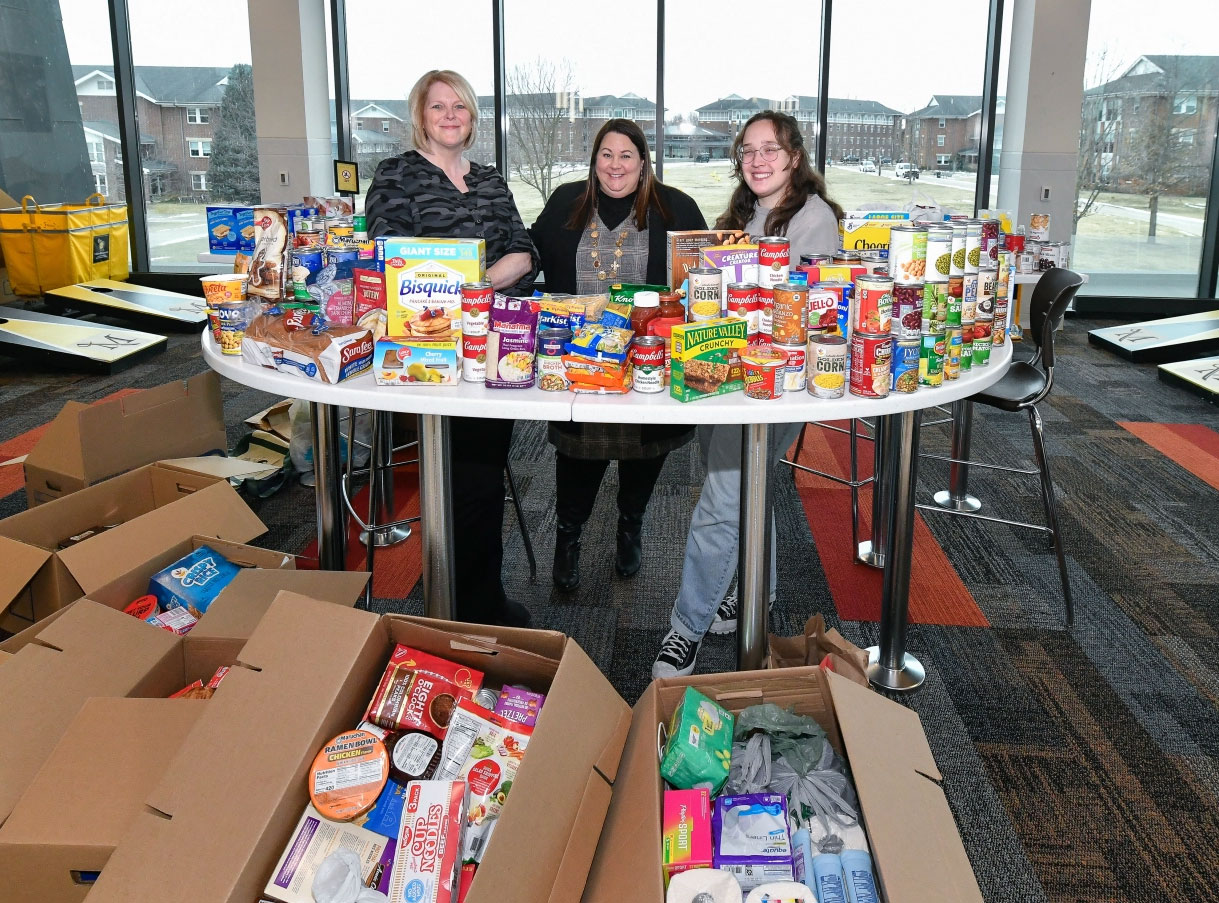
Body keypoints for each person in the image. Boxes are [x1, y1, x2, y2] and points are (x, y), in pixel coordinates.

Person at [652, 110, 845, 678]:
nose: (757, 160)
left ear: (794, 158)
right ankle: (753, 593)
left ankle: (684, 631)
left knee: (721, 498)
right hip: (726, 374)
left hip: (773, 385)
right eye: (748, 150)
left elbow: (804, 312)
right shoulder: (744, 214)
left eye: (771, 149)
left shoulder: (812, 220)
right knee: (749, 488)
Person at [365, 69, 538, 628]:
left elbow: (524, 249)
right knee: (458, 479)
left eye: (460, 106)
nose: (450, 115)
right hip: (431, 349)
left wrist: (476, 283)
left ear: (472, 116)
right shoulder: (397, 176)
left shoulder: (490, 179)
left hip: (493, 346)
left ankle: (481, 598)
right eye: (438, 106)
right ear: (421, 115)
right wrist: (463, 288)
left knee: (486, 477)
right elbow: (389, 255)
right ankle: (452, 606)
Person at [530, 119, 705, 593]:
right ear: (594, 161)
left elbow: (703, 272)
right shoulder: (566, 201)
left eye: (626, 155)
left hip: (647, 357)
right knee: (577, 453)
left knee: (643, 451)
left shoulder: (676, 206)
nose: (615, 165)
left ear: (643, 162)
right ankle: (568, 537)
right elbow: (531, 251)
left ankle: (631, 525)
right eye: (606, 154)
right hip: (578, 359)